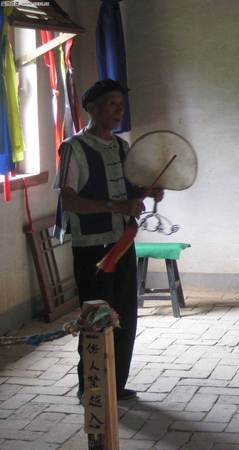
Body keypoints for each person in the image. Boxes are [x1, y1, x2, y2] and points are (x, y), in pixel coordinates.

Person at [54, 79, 163, 401]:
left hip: (123, 243)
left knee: (124, 315)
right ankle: (92, 388)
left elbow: (129, 194)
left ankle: (114, 385)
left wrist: (147, 192)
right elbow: (70, 201)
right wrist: (116, 206)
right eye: (112, 104)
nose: (119, 111)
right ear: (92, 108)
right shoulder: (73, 148)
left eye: (120, 105)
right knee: (98, 318)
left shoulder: (121, 147)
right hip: (93, 249)